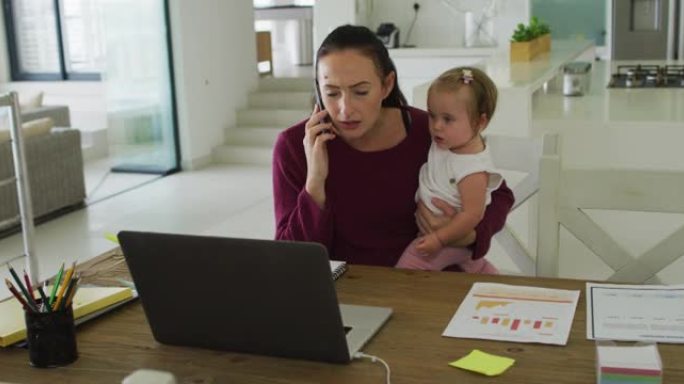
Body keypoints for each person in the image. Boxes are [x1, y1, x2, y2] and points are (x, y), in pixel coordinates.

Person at [272, 25, 514, 269]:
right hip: (347, 293)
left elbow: (500, 195)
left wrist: (469, 235)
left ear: (386, 85)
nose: (346, 109)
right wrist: (314, 184)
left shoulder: (429, 130)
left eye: (361, 92)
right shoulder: (294, 147)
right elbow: (289, 259)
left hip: (434, 281)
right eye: (332, 93)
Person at [395, 67, 502, 273]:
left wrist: (438, 238)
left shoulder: (472, 169)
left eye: (447, 119)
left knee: (408, 267)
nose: (436, 126)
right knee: (474, 264)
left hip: (448, 239)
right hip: (444, 236)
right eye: (432, 115)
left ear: (480, 122)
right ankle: (485, 273)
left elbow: (472, 215)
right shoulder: (449, 142)